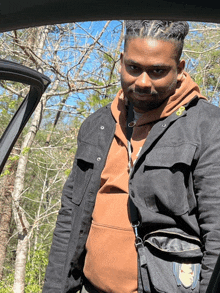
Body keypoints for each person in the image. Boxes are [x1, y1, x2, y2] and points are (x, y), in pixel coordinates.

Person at [42, 20, 220, 293]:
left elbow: (217, 233)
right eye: (134, 68)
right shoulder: (98, 124)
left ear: (180, 69)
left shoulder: (207, 126)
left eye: (158, 71)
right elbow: (70, 218)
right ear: (122, 61)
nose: (143, 82)